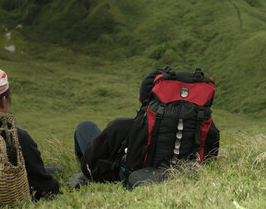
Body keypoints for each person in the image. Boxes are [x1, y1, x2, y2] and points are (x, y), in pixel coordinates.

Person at [72, 67, 220, 186]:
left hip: (123, 173)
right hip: (172, 170)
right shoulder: (199, 124)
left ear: (144, 99)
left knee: (84, 127)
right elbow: (211, 155)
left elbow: (89, 166)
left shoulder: (121, 126)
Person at [0, 67, 60, 200]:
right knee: (54, 172)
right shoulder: (17, 137)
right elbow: (44, 188)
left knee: (52, 170)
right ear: (3, 101)